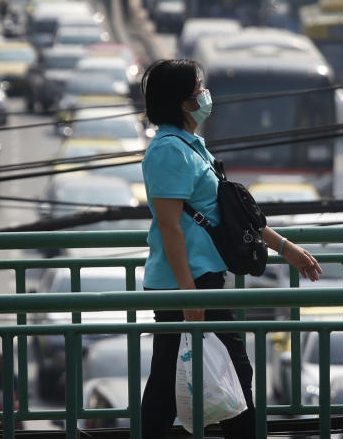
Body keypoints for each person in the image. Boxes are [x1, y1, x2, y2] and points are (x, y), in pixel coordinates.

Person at [138, 59, 322, 439]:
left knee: (173, 382)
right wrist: (189, 293)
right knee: (229, 373)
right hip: (186, 284)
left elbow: (232, 215)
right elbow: (171, 227)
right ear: (182, 102)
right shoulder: (169, 152)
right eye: (199, 89)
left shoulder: (192, 147)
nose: (206, 95)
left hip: (197, 280)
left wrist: (285, 247)